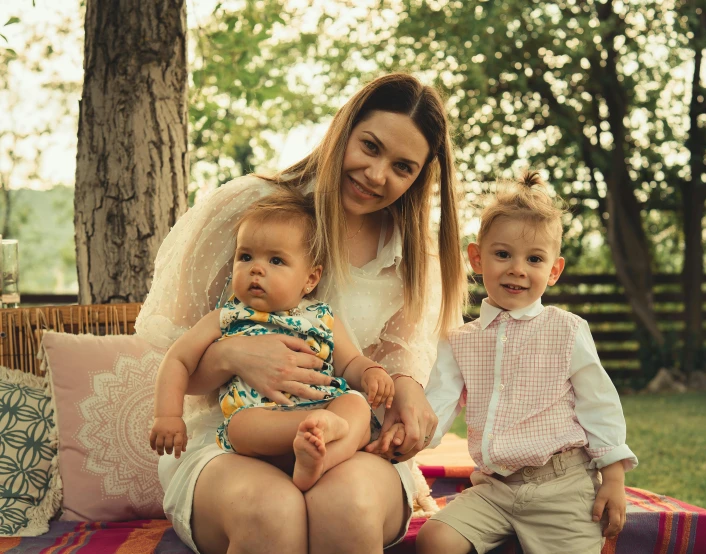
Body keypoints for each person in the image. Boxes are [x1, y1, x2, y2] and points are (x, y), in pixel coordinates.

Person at [135, 73, 466, 554]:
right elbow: (179, 366)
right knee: (270, 510)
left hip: (342, 440)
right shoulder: (251, 210)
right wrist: (235, 356)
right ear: (344, 130)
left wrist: (408, 400)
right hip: (233, 434)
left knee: (347, 505)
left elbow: (394, 369)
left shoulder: (411, 254)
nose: (377, 175)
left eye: (402, 167)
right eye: (369, 147)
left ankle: (323, 451)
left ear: (421, 176)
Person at [416, 171, 638, 554]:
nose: (517, 268)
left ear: (553, 271)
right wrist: (405, 441)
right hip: (493, 490)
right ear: (477, 258)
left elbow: (598, 403)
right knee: (435, 538)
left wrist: (613, 479)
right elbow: (436, 405)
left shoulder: (566, 330)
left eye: (534, 259)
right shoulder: (460, 340)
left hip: (562, 487)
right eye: (502, 254)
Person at [149, 189, 394, 492]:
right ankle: (314, 436)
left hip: (323, 408)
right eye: (246, 256)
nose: (256, 268)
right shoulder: (226, 317)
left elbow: (351, 363)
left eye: (276, 260)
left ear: (311, 279)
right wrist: (167, 415)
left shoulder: (322, 317)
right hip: (262, 421)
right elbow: (178, 360)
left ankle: (319, 460)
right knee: (239, 428)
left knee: (354, 405)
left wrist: (371, 372)